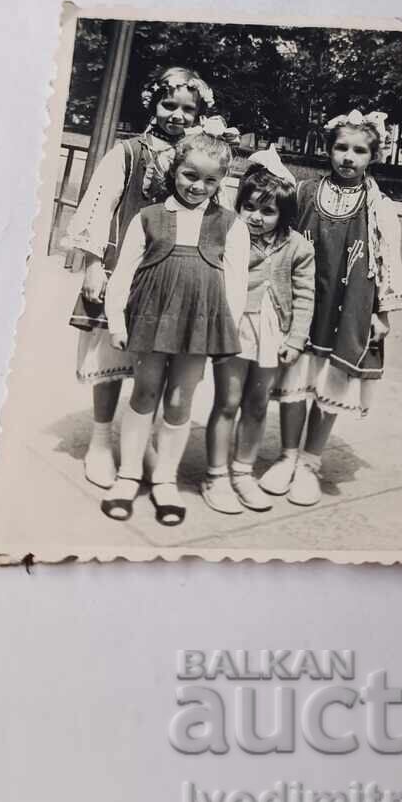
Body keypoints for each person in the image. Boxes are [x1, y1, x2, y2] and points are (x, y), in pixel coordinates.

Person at [64, 66, 214, 489]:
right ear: (153, 103)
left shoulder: (198, 160)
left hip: (169, 278)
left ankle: (144, 442)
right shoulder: (128, 153)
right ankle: (99, 440)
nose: (177, 115)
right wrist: (94, 264)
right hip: (120, 270)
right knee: (110, 361)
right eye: (169, 104)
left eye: (188, 109)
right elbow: (99, 207)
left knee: (155, 368)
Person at [101, 124, 250, 525]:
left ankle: (165, 479)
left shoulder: (230, 223)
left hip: (198, 325)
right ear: (175, 169)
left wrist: (225, 334)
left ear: (221, 182)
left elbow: (236, 284)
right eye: (190, 175)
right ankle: (129, 474)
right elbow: (124, 272)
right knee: (145, 392)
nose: (198, 186)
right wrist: (116, 320)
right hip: (150, 318)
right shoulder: (149, 217)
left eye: (210, 180)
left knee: (181, 400)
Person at [263, 109, 402, 507]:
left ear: (372, 155)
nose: (348, 156)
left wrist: (383, 314)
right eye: (341, 147)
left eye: (359, 150)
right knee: (294, 380)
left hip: (349, 306)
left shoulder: (380, 206)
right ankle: (287, 455)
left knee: (330, 382)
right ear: (328, 149)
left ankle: (310, 462)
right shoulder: (305, 193)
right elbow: (279, 238)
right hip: (303, 301)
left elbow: (388, 262)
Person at [202, 147, 315, 514]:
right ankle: (216, 475)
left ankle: (243, 472)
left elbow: (304, 294)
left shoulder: (297, 245)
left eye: (268, 211)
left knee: (257, 403)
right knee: (228, 401)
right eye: (249, 207)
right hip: (235, 329)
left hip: (273, 333)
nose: (256, 217)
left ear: (283, 213)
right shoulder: (231, 237)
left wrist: (296, 338)